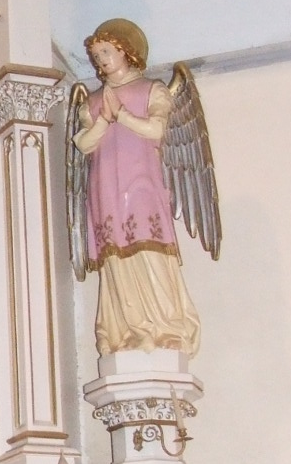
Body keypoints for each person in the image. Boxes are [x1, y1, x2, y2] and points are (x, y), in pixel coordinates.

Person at [73, 19, 201, 357]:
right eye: (95, 55)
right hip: (105, 187)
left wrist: (122, 116)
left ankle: (165, 327)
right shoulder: (93, 101)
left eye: (106, 52)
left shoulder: (151, 89)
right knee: (115, 256)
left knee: (148, 249)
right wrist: (104, 118)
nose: (100, 60)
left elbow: (157, 130)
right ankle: (124, 332)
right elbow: (84, 144)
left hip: (141, 182)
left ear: (125, 51)